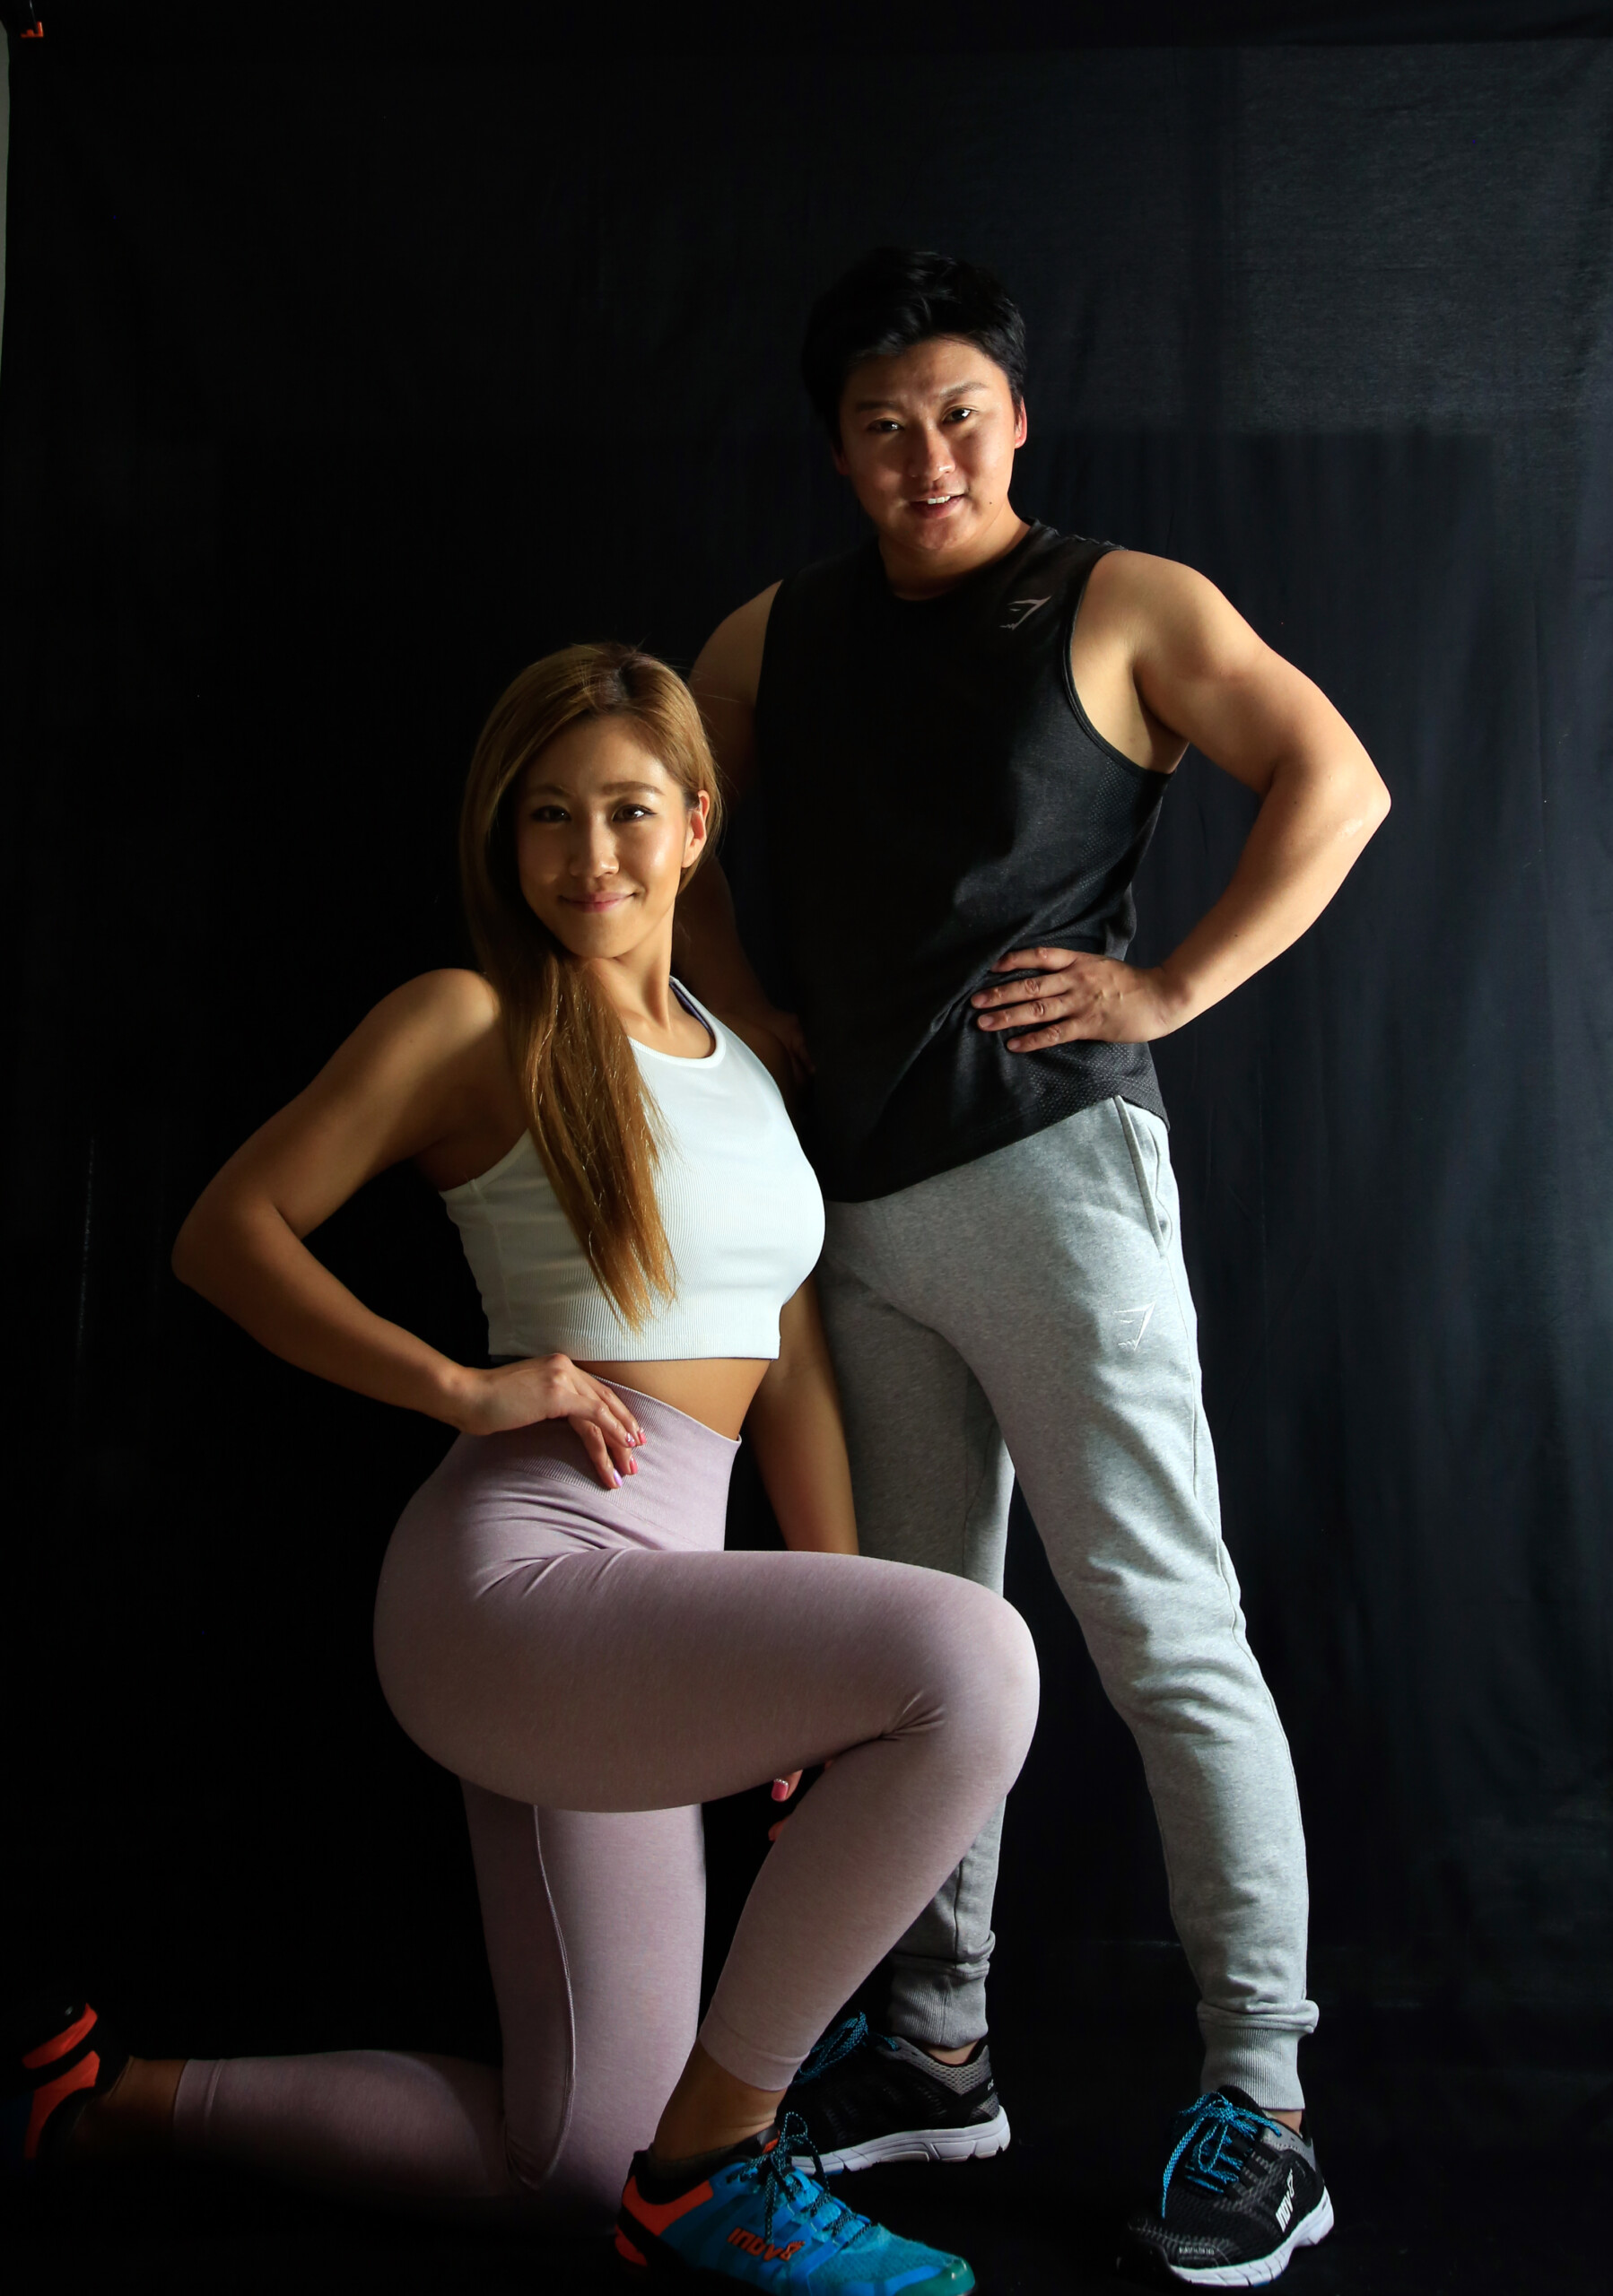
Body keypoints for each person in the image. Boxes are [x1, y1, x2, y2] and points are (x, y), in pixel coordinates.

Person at [9, 643, 1040, 2296]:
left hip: (654, 1611)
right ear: (507, 837)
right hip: (519, 1585)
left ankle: (101, 2102)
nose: (588, 853)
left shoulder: (743, 1062)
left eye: (627, 810)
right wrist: (459, 1387)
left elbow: (793, 1375)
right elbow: (225, 1234)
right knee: (977, 1661)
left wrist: (830, 1674)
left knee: (571, 2159)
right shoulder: (473, 1020)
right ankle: (715, 2170)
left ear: (696, 823)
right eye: (546, 815)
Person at [676, 248, 1391, 2288]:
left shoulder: (1125, 600)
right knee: (922, 1657)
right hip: (851, 1209)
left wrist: (1170, 987)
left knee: (1163, 1631)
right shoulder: (771, 634)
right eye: (884, 425)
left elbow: (1336, 780)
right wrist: (753, 1020)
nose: (928, 455)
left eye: (960, 413)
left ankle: (1265, 2101)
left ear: (1015, 417)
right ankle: (935, 2044)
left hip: (1056, 1180)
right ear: (838, 449)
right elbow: (670, 829)